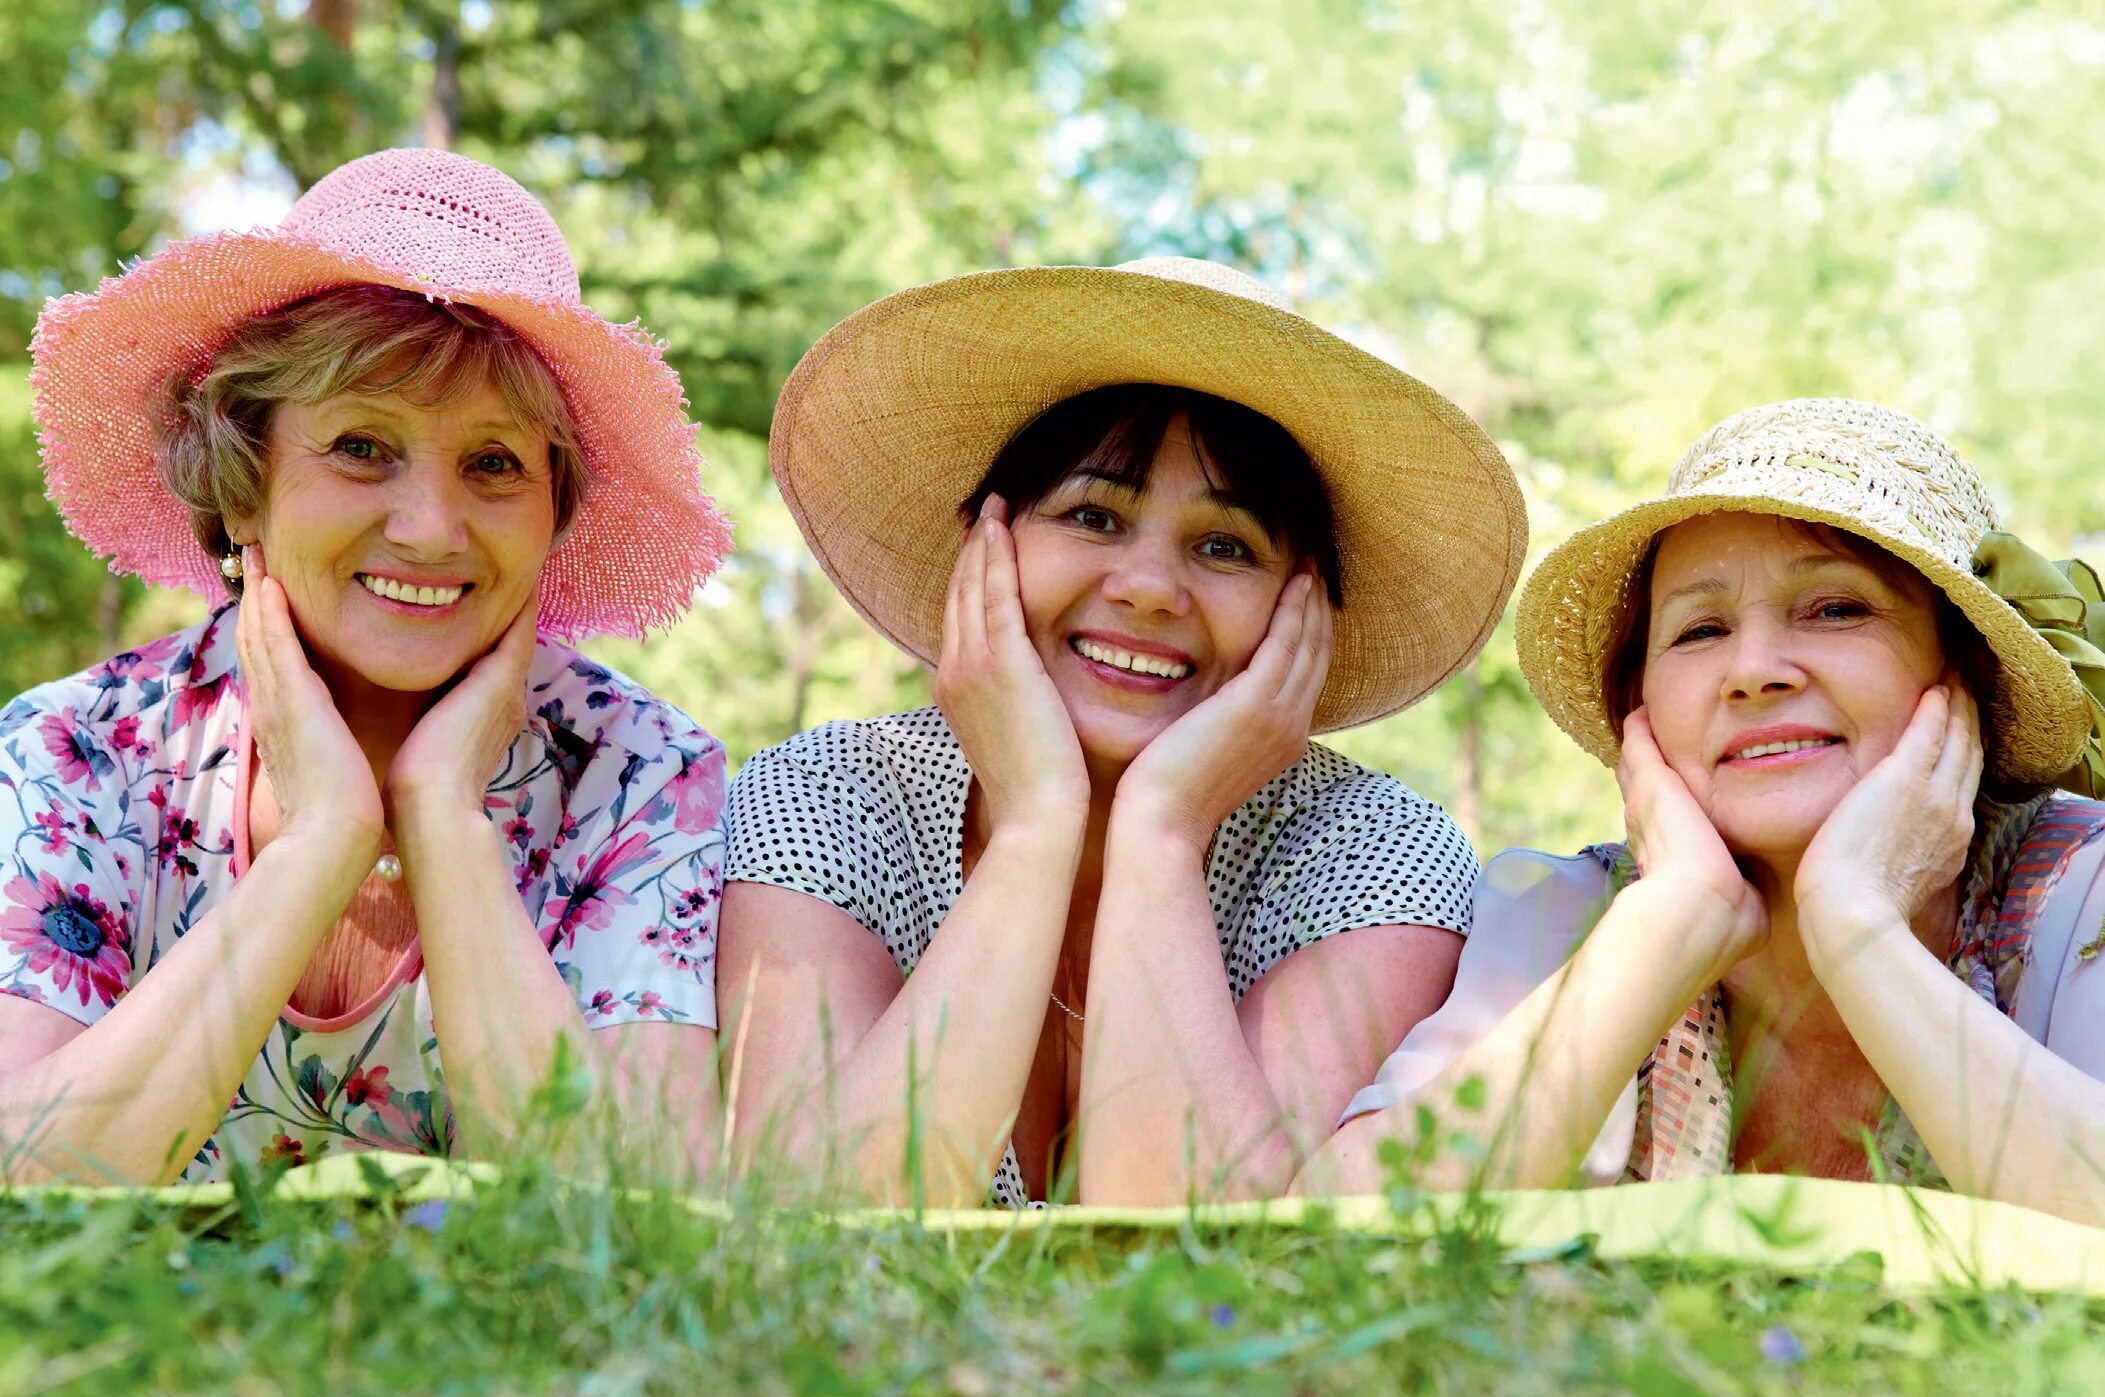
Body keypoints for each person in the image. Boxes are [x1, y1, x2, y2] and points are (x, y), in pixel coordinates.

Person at [718, 257, 1528, 1207]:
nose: (1148, 587)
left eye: (1224, 546)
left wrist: (1162, 831)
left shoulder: (1377, 850)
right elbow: (808, 1224)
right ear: (989, 545)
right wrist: (1034, 822)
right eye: (1093, 515)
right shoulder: (824, 793)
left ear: (1297, 601)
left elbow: (1204, 1253)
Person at [0, 148, 735, 1186]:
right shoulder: (79, 749)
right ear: (243, 482)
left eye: (493, 463)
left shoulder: (642, 773)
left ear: (554, 512)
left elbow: (647, 1204)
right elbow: (19, 1175)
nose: (431, 528)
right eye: (360, 446)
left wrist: (443, 813)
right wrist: (321, 842)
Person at [1295, 399, 2105, 1226]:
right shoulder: (1563, 912)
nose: (1753, 671)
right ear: (1636, 706)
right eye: (1698, 629)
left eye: (1834, 608)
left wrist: (1853, 926)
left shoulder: (2078, 892)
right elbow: (1329, 1231)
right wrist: (1674, 920)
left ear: (1961, 675)